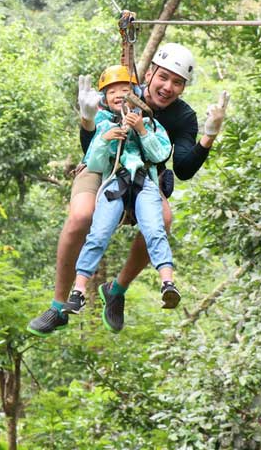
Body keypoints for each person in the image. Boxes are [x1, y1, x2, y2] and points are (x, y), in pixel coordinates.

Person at [27, 43, 230, 335]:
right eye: (163, 78)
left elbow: (184, 168)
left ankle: (117, 290)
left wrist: (209, 135)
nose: (167, 87)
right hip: (102, 165)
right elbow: (90, 149)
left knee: (165, 220)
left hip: (142, 173)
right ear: (150, 74)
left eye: (177, 83)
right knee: (82, 216)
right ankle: (59, 307)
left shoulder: (182, 117)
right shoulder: (123, 91)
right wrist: (86, 122)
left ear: (183, 88)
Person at [58, 66, 179, 329]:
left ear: (135, 93)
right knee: (98, 233)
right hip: (115, 181)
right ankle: (78, 292)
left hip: (143, 182)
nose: (119, 95)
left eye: (125, 90)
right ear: (104, 97)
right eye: (112, 91)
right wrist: (104, 139)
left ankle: (167, 282)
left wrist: (142, 131)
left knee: (155, 228)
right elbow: (95, 161)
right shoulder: (102, 123)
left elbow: (160, 155)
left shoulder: (149, 121)